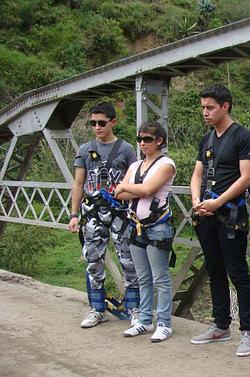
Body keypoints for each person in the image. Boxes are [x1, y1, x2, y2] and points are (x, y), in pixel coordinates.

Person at [188, 84, 250, 357]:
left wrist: (217, 202)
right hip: (206, 213)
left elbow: (246, 177)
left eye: (210, 107)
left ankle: (249, 332)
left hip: (230, 214)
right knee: (214, 269)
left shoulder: (243, 137)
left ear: (225, 106)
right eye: (203, 107)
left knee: (237, 271)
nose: (205, 112)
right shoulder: (207, 139)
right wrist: (197, 201)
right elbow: (197, 174)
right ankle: (220, 325)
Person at [68, 102, 139, 328]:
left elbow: (135, 180)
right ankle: (97, 309)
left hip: (120, 212)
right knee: (93, 261)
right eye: (93, 123)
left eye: (101, 123)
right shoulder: (85, 150)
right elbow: (78, 183)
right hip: (93, 214)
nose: (96, 127)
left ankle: (134, 309)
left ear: (112, 122)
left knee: (128, 261)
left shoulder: (126, 149)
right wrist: (73, 213)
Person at [114, 121, 176, 342]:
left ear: (159, 140)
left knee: (160, 277)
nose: (142, 143)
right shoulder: (135, 165)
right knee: (143, 277)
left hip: (157, 225)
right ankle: (145, 319)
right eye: (140, 139)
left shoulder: (166, 164)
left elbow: (148, 189)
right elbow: (119, 195)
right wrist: (127, 189)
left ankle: (165, 323)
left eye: (147, 139)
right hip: (135, 225)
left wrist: (125, 187)